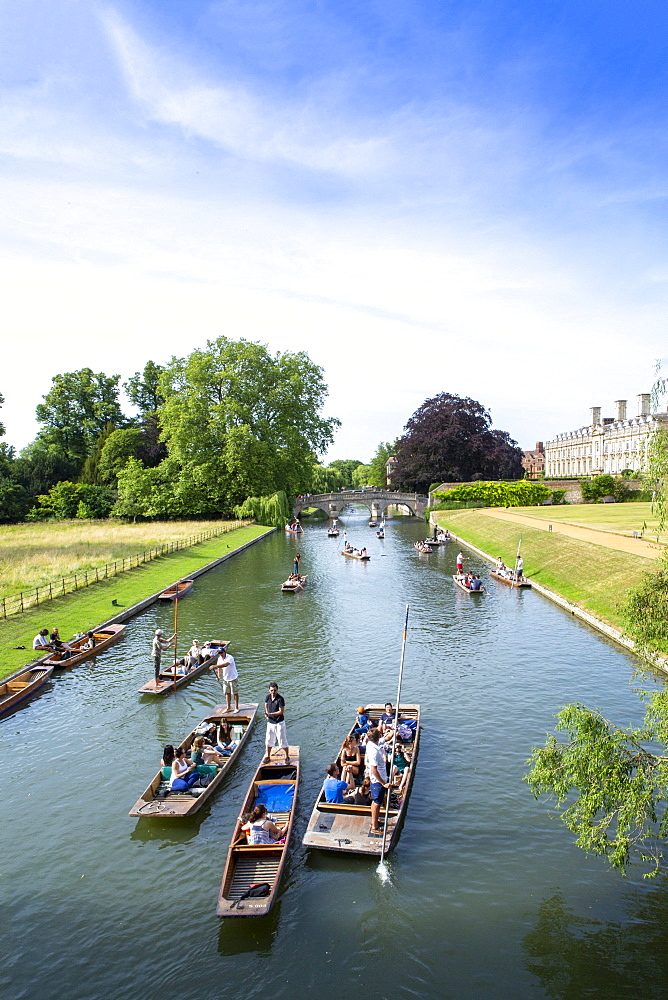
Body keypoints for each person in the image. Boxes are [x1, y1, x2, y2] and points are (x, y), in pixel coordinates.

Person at [364, 728, 390, 834]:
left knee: (376, 802)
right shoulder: (374, 751)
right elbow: (374, 770)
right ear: (378, 737)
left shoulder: (370, 744)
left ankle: (375, 821)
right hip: (378, 782)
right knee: (376, 803)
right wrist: (383, 783)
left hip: (378, 780)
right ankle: (374, 827)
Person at [263, 682, 289, 764]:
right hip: (270, 722)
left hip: (279, 722)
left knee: (282, 740)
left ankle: (287, 756)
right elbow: (266, 705)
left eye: (274, 690)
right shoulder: (268, 697)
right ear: (269, 690)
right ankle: (268, 756)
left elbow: (281, 711)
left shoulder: (280, 699)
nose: (273, 692)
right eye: (271, 690)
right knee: (268, 740)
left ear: (277, 690)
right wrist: (266, 713)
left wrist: (270, 714)